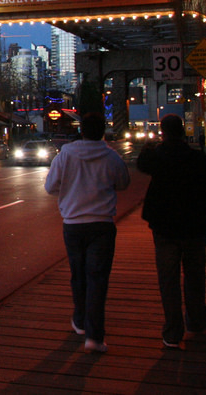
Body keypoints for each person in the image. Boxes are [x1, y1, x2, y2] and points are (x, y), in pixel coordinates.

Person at [138, 114, 206, 349]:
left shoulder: (158, 157)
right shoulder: (200, 160)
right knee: (195, 277)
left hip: (165, 228)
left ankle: (172, 331)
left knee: (168, 280)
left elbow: (142, 163)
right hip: (194, 227)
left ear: (164, 133)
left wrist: (150, 145)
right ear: (183, 132)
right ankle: (197, 321)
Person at [45, 113, 130, 353]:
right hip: (102, 223)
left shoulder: (66, 155)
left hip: (72, 223)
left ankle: (80, 320)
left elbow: (50, 187)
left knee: (78, 274)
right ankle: (94, 335)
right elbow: (124, 182)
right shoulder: (111, 156)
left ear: (81, 131)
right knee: (98, 278)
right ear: (102, 132)